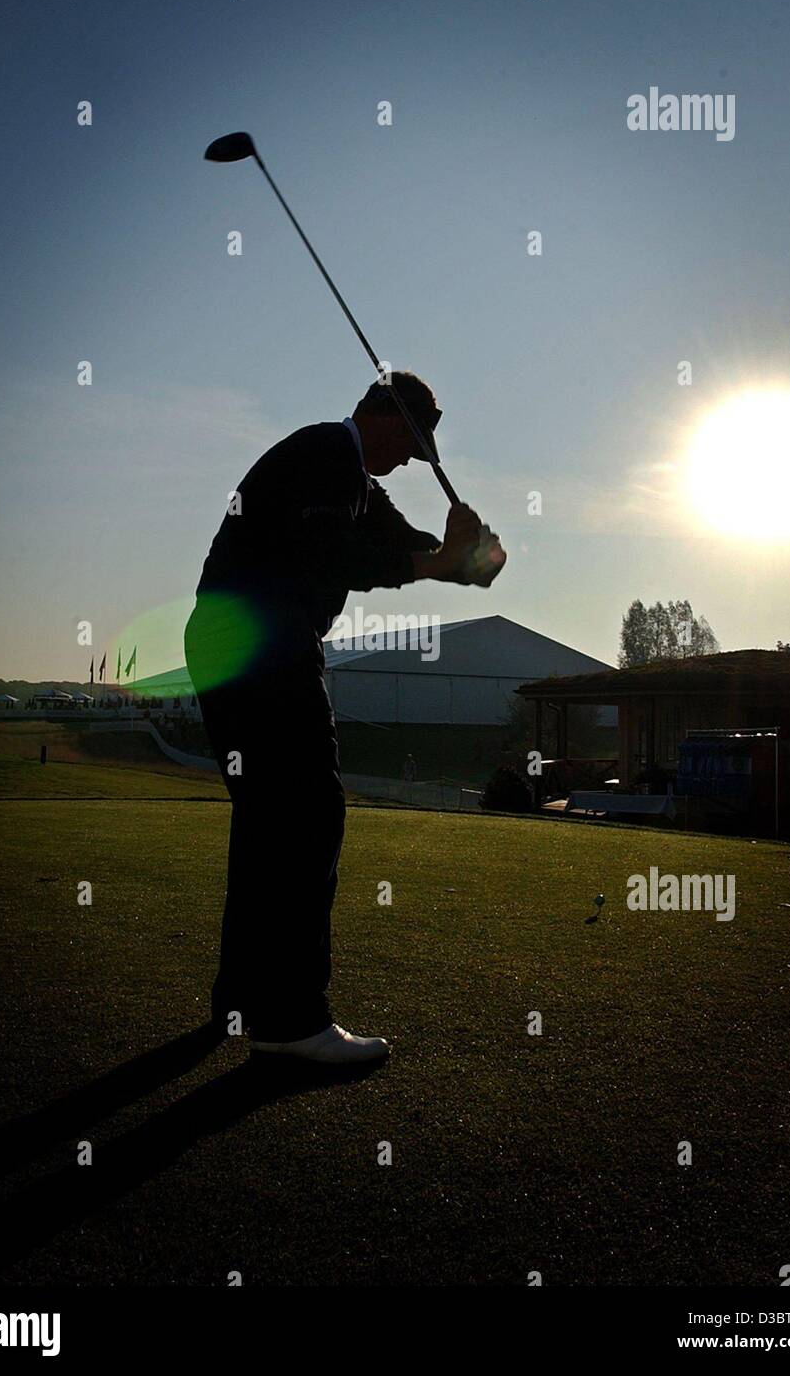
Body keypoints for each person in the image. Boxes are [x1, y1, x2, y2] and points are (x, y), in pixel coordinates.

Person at [184, 372, 504, 1065]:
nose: (404, 464)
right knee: (308, 817)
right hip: (259, 646)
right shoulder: (328, 453)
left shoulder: (355, 481)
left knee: (270, 823)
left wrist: (470, 559)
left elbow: (411, 550)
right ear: (384, 416)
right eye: (408, 448)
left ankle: (242, 1003)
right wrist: (442, 560)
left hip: (237, 643)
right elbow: (339, 556)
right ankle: (291, 1022)